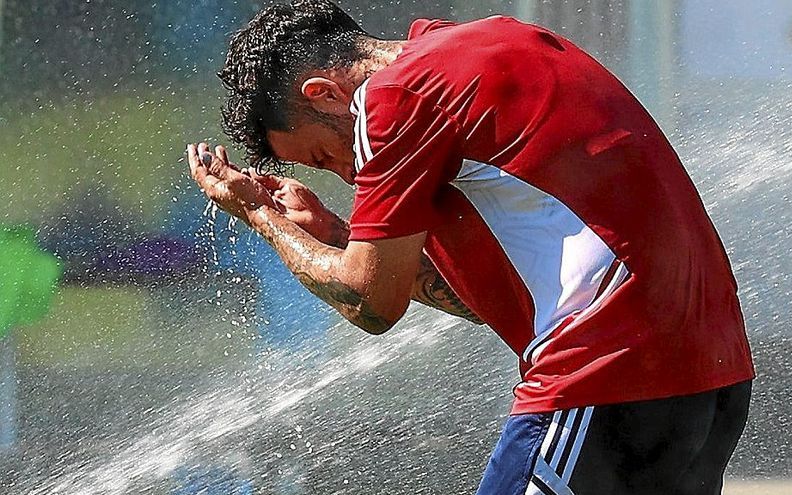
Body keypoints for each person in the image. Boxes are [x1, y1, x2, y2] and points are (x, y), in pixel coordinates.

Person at [185, 1, 755, 493]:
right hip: (711, 378)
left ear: (326, 94)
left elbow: (371, 304)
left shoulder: (391, 98)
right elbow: (482, 302)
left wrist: (259, 214)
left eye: (325, 156)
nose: (346, 175)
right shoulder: (490, 41)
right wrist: (335, 236)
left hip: (603, 380)